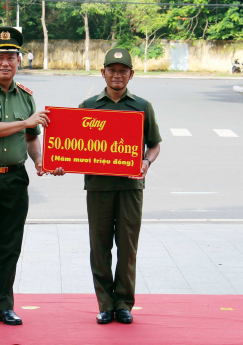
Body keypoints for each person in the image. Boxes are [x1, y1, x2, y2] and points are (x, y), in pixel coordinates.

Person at [0, 26, 63, 327]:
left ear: (19, 61)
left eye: (11, 57)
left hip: (15, 180)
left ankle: (4, 305)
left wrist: (41, 162)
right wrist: (25, 122)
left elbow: (32, 138)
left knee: (9, 246)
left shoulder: (26, 96)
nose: (5, 63)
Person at [79, 48, 162, 325]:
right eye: (112, 70)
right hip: (98, 186)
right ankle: (105, 304)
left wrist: (146, 162)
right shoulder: (88, 106)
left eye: (123, 71)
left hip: (131, 188)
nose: (117, 75)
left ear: (131, 74)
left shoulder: (142, 106)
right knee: (99, 247)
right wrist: (61, 161)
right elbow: (73, 145)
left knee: (127, 248)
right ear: (102, 73)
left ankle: (124, 304)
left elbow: (154, 145)